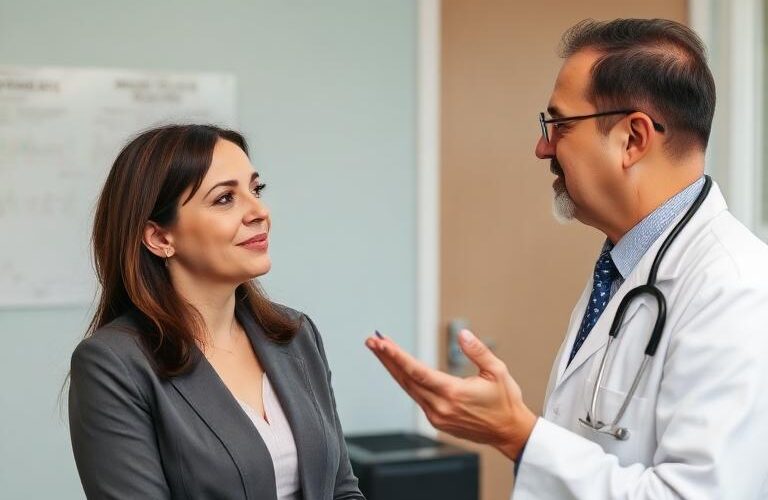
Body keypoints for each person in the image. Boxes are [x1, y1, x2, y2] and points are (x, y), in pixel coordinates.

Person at [366, 18, 768, 499]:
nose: (542, 148)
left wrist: (518, 434)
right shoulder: (623, 267)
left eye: (557, 125)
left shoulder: (738, 288)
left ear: (633, 139)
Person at [69, 124, 364, 500]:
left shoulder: (295, 333)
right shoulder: (113, 364)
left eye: (256, 190)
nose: (259, 211)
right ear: (160, 238)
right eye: (225, 199)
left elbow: (341, 489)